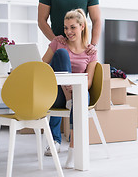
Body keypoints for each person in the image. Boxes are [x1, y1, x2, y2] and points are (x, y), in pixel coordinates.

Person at [42, 9, 97, 168]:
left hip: (78, 91)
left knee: (80, 98)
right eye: (66, 28)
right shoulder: (58, 42)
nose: (68, 32)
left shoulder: (90, 52)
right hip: (59, 93)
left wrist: (75, 88)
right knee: (61, 54)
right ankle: (69, 100)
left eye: (72, 27)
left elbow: (89, 82)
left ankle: (73, 149)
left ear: (82, 27)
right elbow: (42, 65)